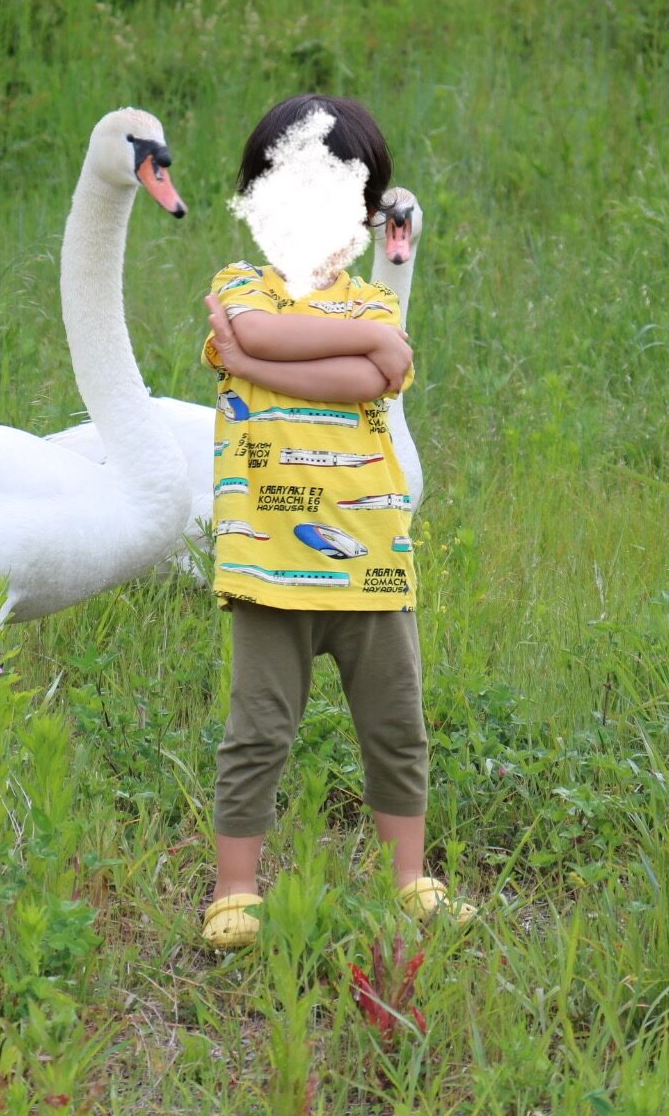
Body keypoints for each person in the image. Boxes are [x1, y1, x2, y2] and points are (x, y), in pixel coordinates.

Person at [199, 93, 475, 949]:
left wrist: (255, 359)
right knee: (257, 730)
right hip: (267, 562)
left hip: (370, 562)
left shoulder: (373, 306)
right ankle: (235, 889)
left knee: (397, 725)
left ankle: (408, 878)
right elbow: (259, 328)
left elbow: (379, 371)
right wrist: (256, 342)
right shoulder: (238, 288)